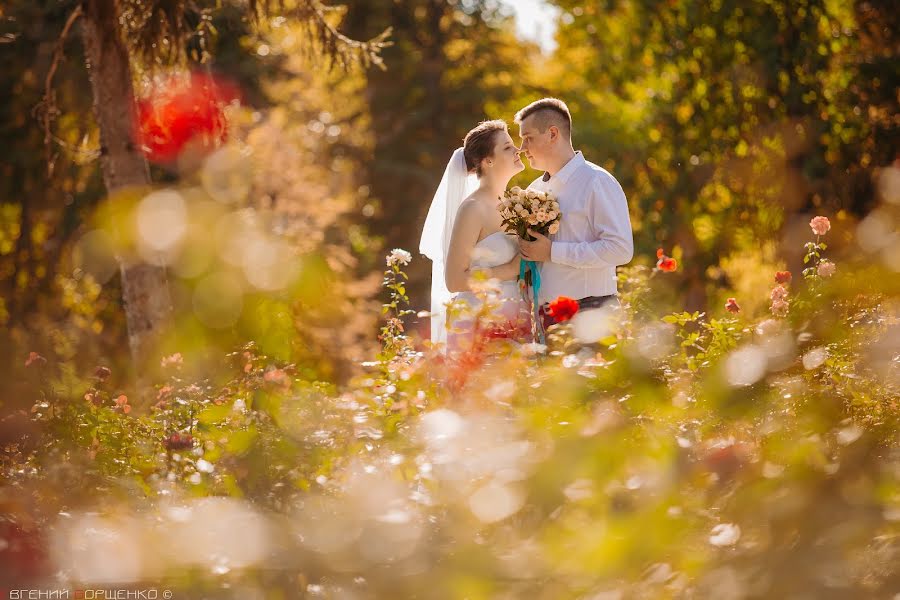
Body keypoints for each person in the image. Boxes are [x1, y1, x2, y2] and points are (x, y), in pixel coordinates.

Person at [514, 98, 634, 333]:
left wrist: (553, 252)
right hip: (544, 318)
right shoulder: (534, 188)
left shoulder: (597, 182)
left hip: (591, 314)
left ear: (552, 134)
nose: (522, 148)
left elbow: (620, 249)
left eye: (528, 138)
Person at [419, 120, 530, 351]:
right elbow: (454, 280)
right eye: (508, 147)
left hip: (514, 317)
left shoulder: (513, 204)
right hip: (477, 321)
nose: (518, 150)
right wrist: (510, 269)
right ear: (488, 161)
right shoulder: (473, 208)